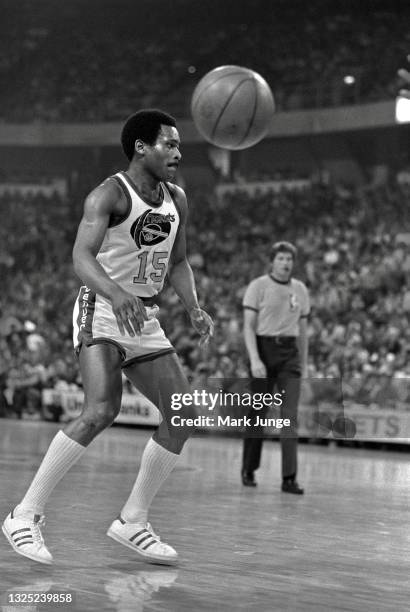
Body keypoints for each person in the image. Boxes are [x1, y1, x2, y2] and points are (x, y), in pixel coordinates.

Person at [2, 109, 213, 566]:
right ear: (141, 146)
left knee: (182, 414)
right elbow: (81, 256)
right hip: (102, 308)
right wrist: (115, 293)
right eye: (169, 144)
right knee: (101, 409)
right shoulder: (109, 194)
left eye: (179, 146)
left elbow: (177, 262)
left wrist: (193, 307)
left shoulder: (176, 197)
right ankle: (24, 513)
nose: (178, 152)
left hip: (144, 314)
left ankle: (132, 520)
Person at [241, 241, 309, 494]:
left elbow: (303, 331)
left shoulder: (300, 289)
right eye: (281, 258)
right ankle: (249, 468)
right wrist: (255, 359)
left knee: (289, 416)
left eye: (289, 259)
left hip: (290, 353)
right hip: (263, 349)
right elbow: (248, 326)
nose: (286, 263)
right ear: (272, 261)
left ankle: (289, 477)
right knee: (258, 413)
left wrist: (303, 362)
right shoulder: (258, 286)